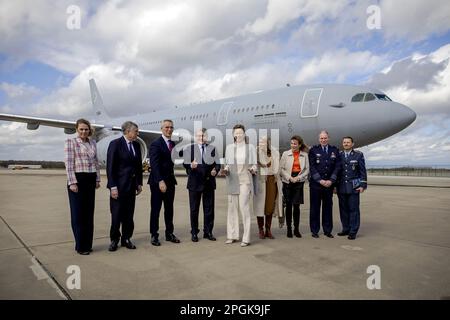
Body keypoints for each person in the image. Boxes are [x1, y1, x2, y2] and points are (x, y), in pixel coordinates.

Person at [64, 118, 100, 255]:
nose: (84, 132)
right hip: (77, 179)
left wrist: (97, 179)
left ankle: (88, 244)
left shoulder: (93, 143)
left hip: (90, 179)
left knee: (89, 214)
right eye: (81, 129)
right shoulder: (71, 142)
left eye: (86, 129)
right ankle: (80, 246)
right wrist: (72, 182)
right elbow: (68, 163)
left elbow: (96, 163)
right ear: (77, 130)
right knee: (78, 215)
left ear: (89, 130)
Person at [106, 121, 143, 251]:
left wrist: (139, 183)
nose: (138, 133)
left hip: (131, 187)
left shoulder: (137, 146)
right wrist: (112, 186)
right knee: (116, 215)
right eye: (136, 131)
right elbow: (110, 168)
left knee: (129, 215)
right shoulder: (115, 144)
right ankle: (114, 239)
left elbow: (138, 167)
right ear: (127, 132)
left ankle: (126, 238)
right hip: (119, 187)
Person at [221, 124, 257, 247]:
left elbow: (254, 164)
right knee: (232, 209)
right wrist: (225, 169)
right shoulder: (229, 148)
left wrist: (253, 169)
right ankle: (232, 235)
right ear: (233, 135)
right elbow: (227, 164)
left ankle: (246, 238)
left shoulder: (250, 147)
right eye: (236, 133)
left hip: (245, 181)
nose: (238, 135)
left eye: (240, 133)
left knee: (244, 208)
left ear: (244, 134)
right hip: (232, 181)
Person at [183, 128, 221, 242]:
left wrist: (216, 170)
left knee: (209, 209)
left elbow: (218, 164)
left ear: (206, 137)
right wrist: (191, 165)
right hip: (194, 184)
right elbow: (185, 164)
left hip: (209, 183)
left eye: (203, 136)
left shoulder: (212, 149)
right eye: (199, 136)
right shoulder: (189, 149)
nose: (201, 138)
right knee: (194, 209)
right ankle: (194, 232)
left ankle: (208, 231)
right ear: (196, 137)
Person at [148, 119, 180, 246]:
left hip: (170, 181)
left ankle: (169, 233)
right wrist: (160, 180)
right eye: (166, 127)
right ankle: (154, 235)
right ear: (161, 129)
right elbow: (154, 165)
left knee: (169, 209)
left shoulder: (172, 144)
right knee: (156, 210)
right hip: (157, 182)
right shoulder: (156, 144)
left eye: (171, 127)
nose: (169, 129)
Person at [308, 130, 340, 238]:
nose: (323, 140)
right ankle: (314, 230)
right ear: (319, 139)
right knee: (315, 208)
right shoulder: (313, 150)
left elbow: (337, 167)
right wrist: (320, 180)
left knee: (327, 208)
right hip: (316, 185)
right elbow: (311, 167)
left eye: (325, 138)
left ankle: (327, 230)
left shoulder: (334, 150)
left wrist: (331, 180)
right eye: (321, 138)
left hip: (328, 185)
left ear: (328, 138)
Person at [336, 136, 367, 240]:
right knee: (343, 210)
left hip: (354, 187)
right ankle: (345, 229)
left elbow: (362, 171)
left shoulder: (358, 155)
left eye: (348, 142)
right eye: (344, 142)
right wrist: (335, 187)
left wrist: (362, 185)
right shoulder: (339, 155)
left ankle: (353, 231)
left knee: (353, 210)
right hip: (341, 187)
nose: (346, 144)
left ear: (352, 144)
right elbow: (337, 172)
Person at [279, 135, 310, 238]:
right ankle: (289, 229)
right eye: (291, 143)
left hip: (298, 182)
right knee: (288, 206)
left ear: (299, 145)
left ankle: (296, 229)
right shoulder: (285, 154)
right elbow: (281, 169)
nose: (293, 145)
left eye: (295, 144)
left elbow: (307, 169)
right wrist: (289, 178)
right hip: (288, 182)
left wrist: (299, 178)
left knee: (296, 206)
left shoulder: (304, 155)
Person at [254, 136, 282, 239]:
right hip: (260, 180)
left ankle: (268, 230)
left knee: (270, 205)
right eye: (260, 141)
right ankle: (261, 229)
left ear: (268, 143)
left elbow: (277, 167)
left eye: (264, 142)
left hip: (271, 180)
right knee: (260, 206)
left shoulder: (274, 152)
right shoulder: (255, 151)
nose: (262, 144)